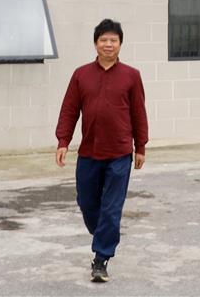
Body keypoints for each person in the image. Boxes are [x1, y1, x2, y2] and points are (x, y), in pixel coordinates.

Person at [55, 19, 148, 283]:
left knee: (111, 208)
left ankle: (101, 258)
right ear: (96, 43)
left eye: (113, 40)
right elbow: (69, 110)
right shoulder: (81, 74)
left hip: (119, 153)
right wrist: (63, 141)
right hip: (89, 152)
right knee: (87, 203)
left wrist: (140, 146)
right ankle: (105, 235)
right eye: (104, 40)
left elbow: (138, 113)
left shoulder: (131, 76)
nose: (108, 44)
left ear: (120, 44)